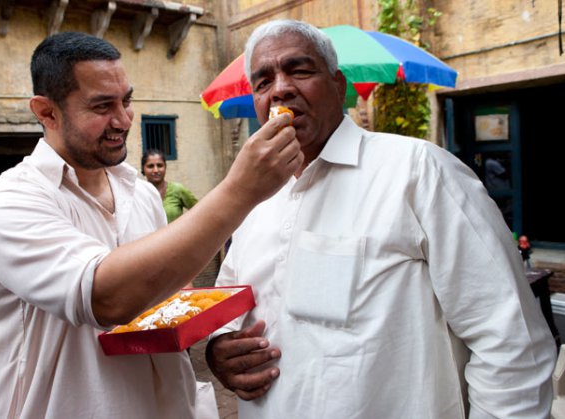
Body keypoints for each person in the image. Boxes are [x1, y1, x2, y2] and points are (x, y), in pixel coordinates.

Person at [205, 19, 557, 418]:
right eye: (263, 81)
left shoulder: (418, 172)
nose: (281, 89)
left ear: (339, 86)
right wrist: (219, 351)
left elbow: (512, 340)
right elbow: (227, 308)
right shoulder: (254, 198)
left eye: (299, 69)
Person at [0, 31, 302, 418]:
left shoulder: (139, 193)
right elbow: (107, 297)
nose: (123, 120)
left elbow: (165, 293)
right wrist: (240, 190)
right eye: (102, 106)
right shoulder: (3, 206)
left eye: (127, 100)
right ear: (46, 112)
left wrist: (215, 339)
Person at [141, 149, 198, 223]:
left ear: (165, 167)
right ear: (143, 169)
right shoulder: (139, 193)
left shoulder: (177, 189)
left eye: (160, 165)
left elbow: (201, 212)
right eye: (150, 166)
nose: (155, 170)